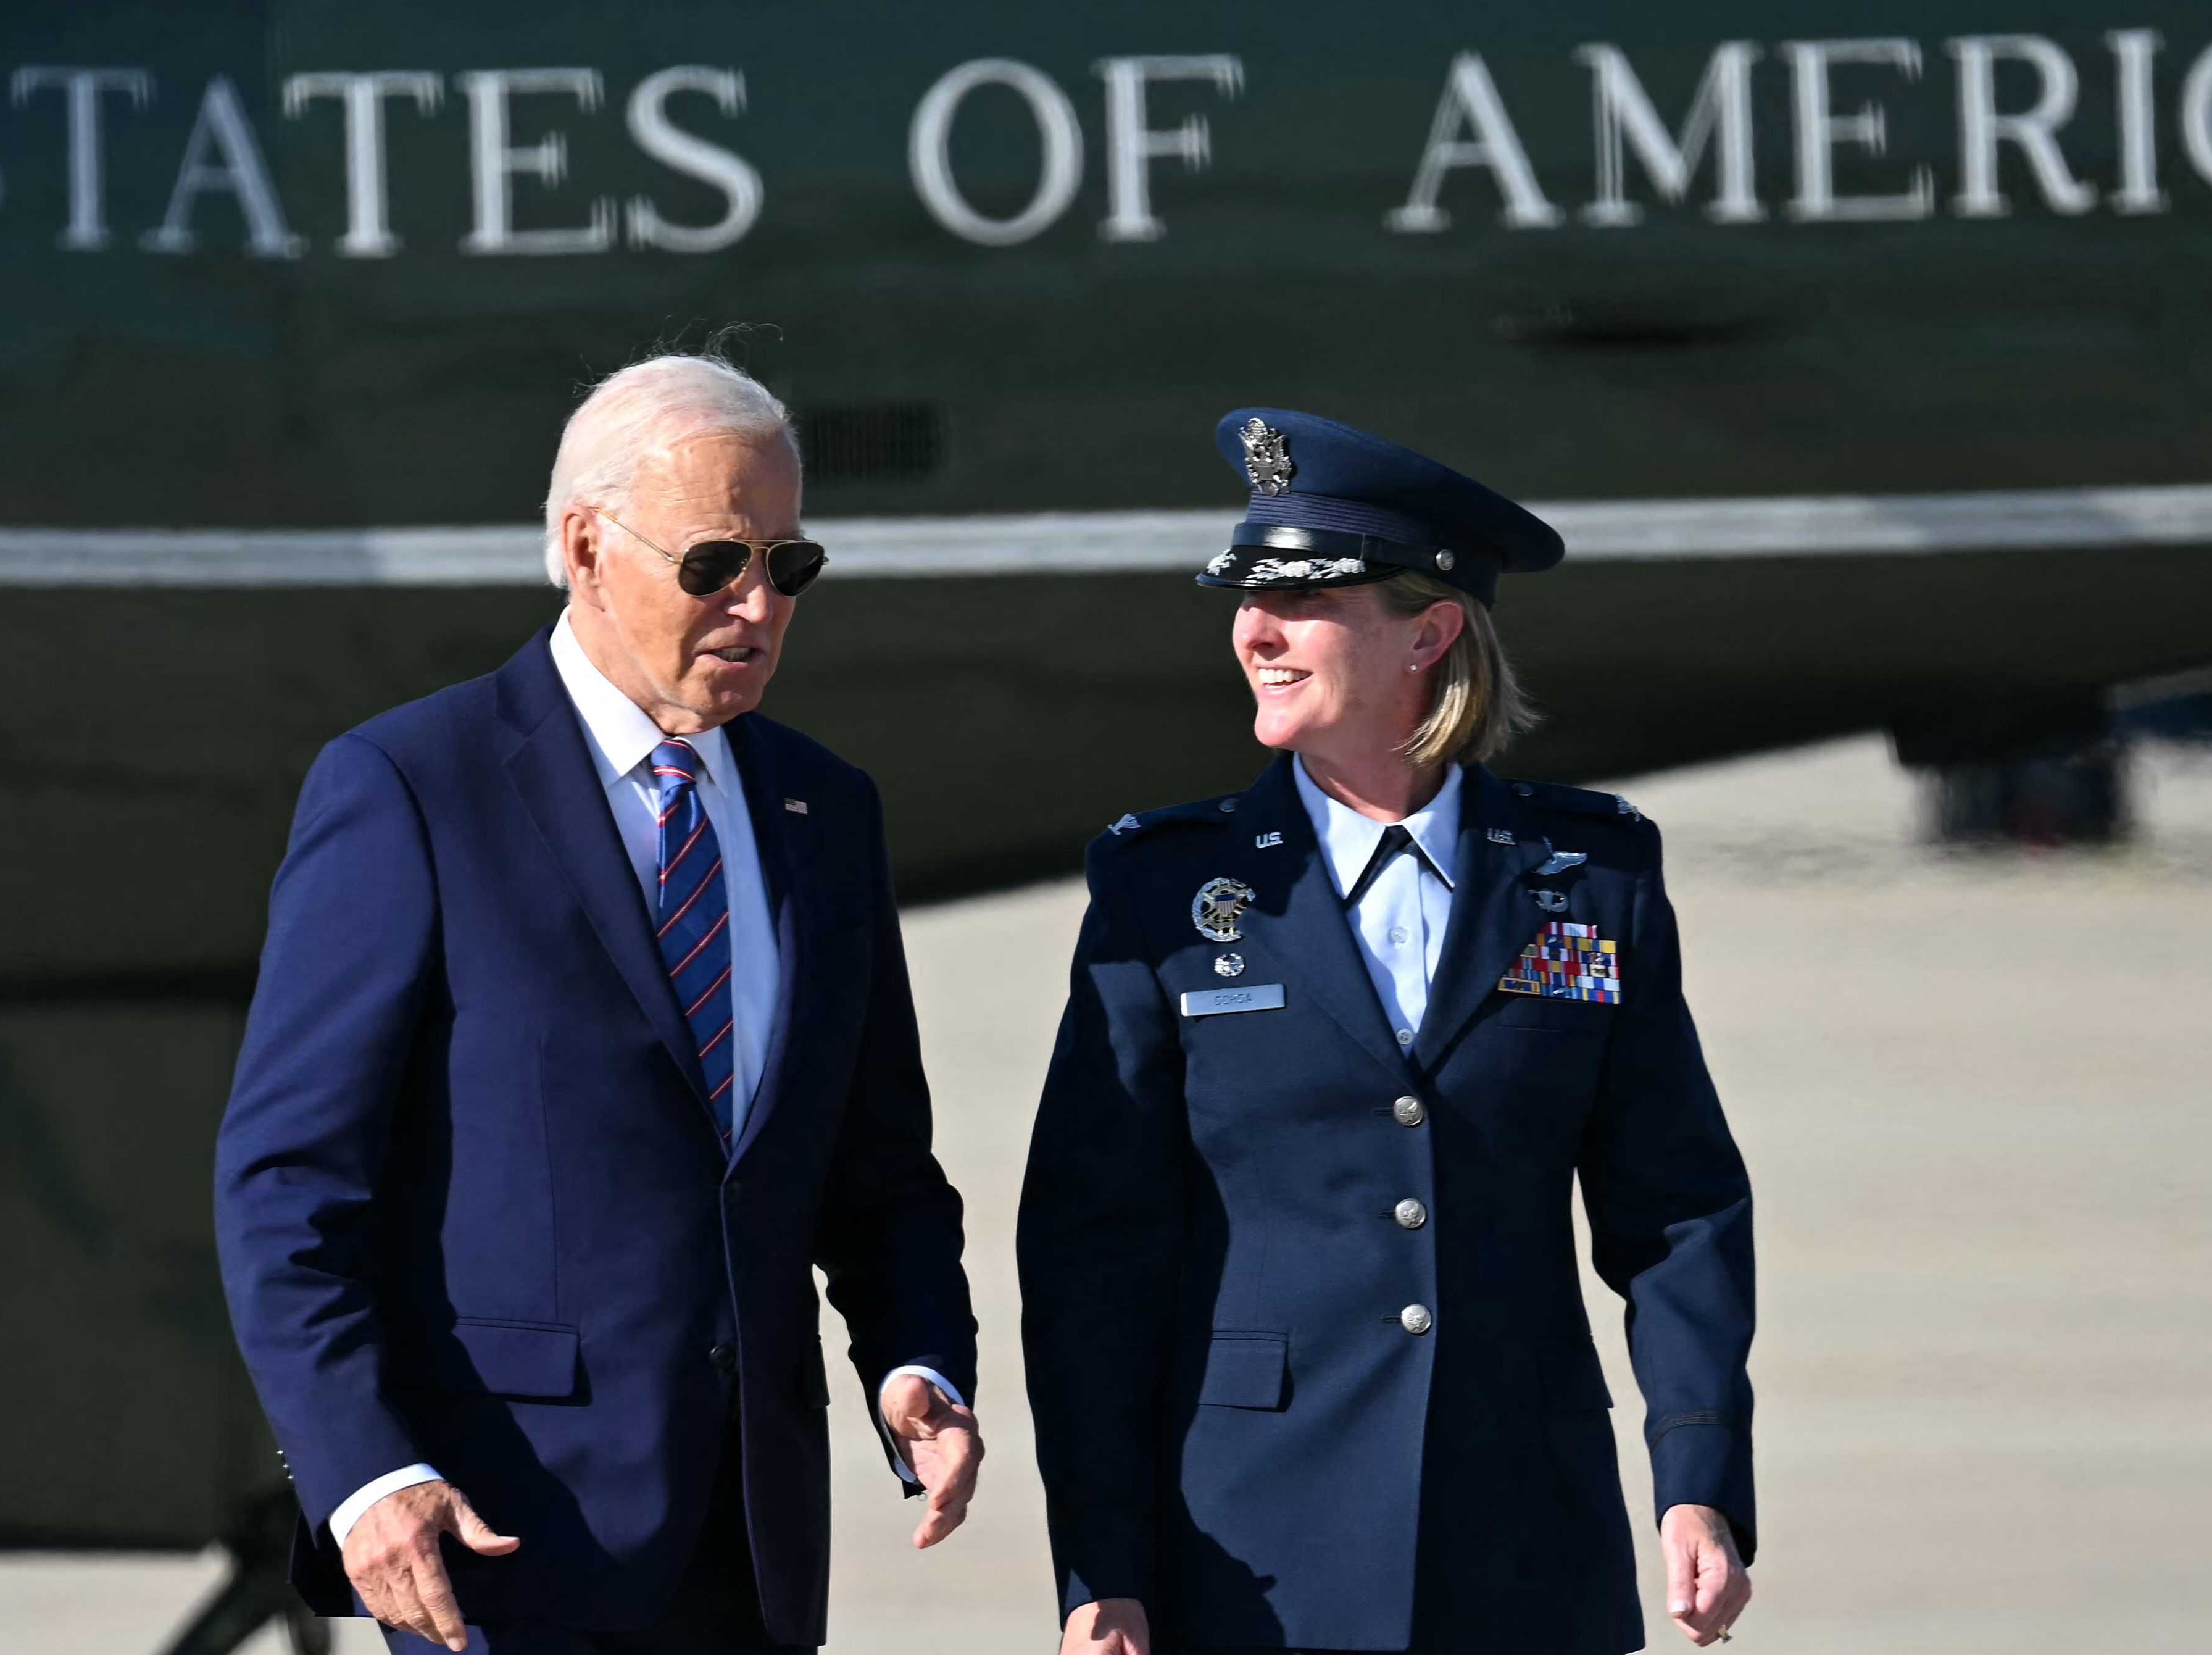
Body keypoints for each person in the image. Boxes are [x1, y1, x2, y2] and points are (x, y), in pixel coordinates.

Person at [214, 354, 983, 1655]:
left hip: (750, 1546)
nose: (756, 606)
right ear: (582, 545)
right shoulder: (413, 785)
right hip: (502, 1544)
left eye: (787, 568)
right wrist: (361, 1474)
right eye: (713, 565)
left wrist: (916, 1360)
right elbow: (287, 1181)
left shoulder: (823, 808)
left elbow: (878, 1165)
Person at [1018, 409, 1755, 1655]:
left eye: (1301, 601)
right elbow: (1093, 1255)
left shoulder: (1588, 879)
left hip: (1523, 1544)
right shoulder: (1165, 891)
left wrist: (1697, 1473)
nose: (1254, 630)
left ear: (1429, 629)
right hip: (1250, 1556)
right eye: (1244, 598)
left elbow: (1674, 1207)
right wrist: (1102, 1560)